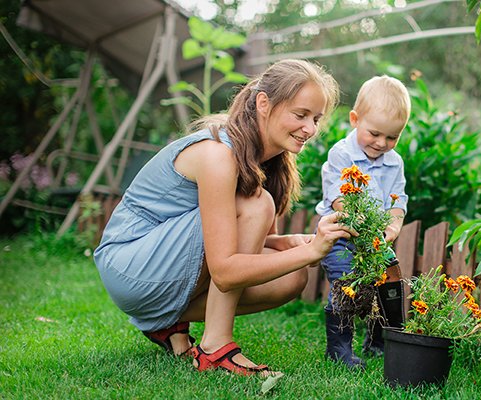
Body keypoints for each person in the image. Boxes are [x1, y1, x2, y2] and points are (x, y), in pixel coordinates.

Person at [94, 59, 353, 377]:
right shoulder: (219, 154)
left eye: (316, 119)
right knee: (259, 206)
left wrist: (285, 243)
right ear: (263, 104)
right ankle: (214, 348)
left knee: (293, 277)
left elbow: (236, 240)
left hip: (158, 262)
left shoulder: (262, 157)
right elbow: (226, 270)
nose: (310, 129)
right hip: (130, 264)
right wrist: (311, 251)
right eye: (300, 115)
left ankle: (169, 324)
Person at [315, 75, 411, 369]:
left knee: (388, 288)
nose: (382, 143)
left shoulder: (394, 162)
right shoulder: (342, 154)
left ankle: (379, 342)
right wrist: (363, 226)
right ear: (355, 119)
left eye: (392, 137)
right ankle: (339, 349)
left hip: (375, 240)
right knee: (346, 288)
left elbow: (398, 201)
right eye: (375, 133)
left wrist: (393, 226)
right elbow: (339, 200)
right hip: (341, 236)